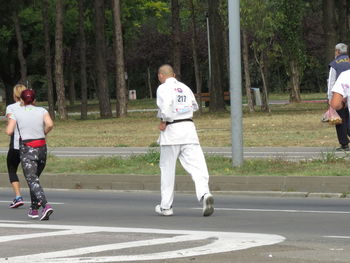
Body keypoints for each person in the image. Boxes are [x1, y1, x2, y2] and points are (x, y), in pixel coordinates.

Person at [155, 64, 214, 217]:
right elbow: (194, 106)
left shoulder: (163, 88)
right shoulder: (185, 87)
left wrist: (164, 120)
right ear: (173, 75)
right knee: (197, 166)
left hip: (172, 132)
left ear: (161, 76)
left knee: (167, 170)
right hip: (189, 130)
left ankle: (166, 206)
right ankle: (204, 194)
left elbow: (166, 108)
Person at [6, 89, 54, 221]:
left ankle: (45, 205)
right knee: (35, 178)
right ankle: (33, 209)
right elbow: (50, 124)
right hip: (42, 147)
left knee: (31, 179)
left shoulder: (16, 112)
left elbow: (9, 131)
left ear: (21, 100)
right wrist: (43, 132)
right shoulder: (42, 111)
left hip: (27, 147)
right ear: (35, 100)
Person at [6, 84, 27, 208]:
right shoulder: (32, 107)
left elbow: (11, 125)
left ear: (14, 95)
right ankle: (38, 197)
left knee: (12, 167)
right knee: (30, 172)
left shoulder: (11, 108)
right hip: (31, 143)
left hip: (16, 143)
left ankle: (18, 196)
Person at [327, 43, 350, 151]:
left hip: (340, 96)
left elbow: (331, 83)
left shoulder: (335, 64)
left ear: (337, 51)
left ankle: (344, 144)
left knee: (339, 120)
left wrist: (329, 98)